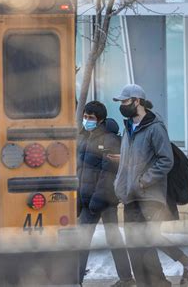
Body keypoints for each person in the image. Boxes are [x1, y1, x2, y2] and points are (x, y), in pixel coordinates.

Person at [112, 84, 188, 287]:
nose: (122, 106)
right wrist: (120, 184)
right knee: (136, 245)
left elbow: (165, 160)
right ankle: (174, 271)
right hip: (130, 195)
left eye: (125, 102)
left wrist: (144, 181)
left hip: (149, 196)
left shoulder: (155, 127)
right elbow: (130, 160)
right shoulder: (128, 128)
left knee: (145, 242)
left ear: (137, 101)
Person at [77, 101, 135, 287]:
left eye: (91, 118)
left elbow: (107, 174)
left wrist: (96, 200)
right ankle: (124, 278)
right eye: (85, 117)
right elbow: (80, 170)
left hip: (103, 200)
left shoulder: (109, 139)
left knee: (105, 239)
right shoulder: (85, 136)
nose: (87, 120)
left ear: (100, 119)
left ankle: (125, 279)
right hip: (89, 199)